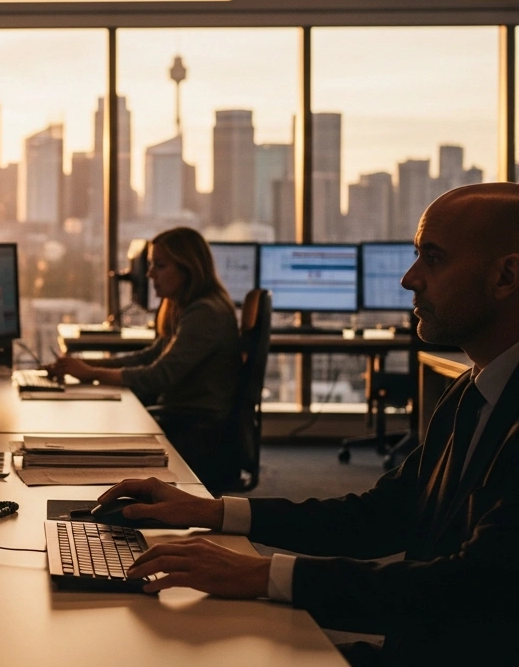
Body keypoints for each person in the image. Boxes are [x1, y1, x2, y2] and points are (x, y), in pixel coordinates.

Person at [100, 183, 519, 666]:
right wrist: (213, 512)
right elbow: (380, 516)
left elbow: (475, 592)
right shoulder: (470, 392)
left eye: (434, 258)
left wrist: (262, 576)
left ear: (506, 275)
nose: (408, 279)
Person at [47, 226, 242, 491]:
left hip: (197, 432)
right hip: (184, 420)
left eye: (159, 266)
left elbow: (158, 376)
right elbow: (152, 356)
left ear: (188, 268)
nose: (149, 274)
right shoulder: (186, 305)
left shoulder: (205, 313)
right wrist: (85, 368)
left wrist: (91, 373)